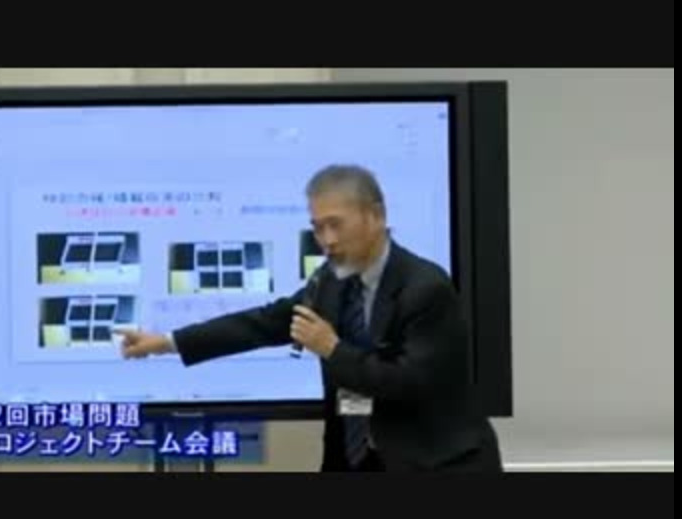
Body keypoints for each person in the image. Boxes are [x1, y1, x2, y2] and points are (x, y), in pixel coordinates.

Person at [116, 165, 502, 472]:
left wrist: (331, 348)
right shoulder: (330, 281)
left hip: (432, 463)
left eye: (336, 224)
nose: (327, 240)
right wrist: (167, 342)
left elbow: (409, 384)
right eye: (318, 228)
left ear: (376, 216)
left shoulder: (425, 288)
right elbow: (264, 323)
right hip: (354, 460)